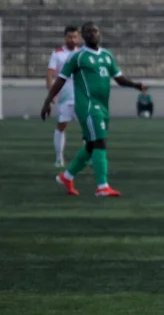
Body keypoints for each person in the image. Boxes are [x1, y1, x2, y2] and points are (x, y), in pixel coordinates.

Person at [40, 22, 148, 197]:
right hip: (88, 106)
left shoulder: (107, 55)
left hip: (103, 106)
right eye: (88, 32)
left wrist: (135, 85)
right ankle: (102, 186)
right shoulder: (78, 56)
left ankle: (67, 176)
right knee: (100, 142)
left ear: (100, 33)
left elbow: (119, 78)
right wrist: (47, 101)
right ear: (83, 36)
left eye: (95, 31)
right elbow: (60, 79)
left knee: (91, 145)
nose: (92, 34)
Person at [46, 25, 81, 167]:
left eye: (74, 37)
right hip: (64, 96)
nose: (72, 40)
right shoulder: (57, 53)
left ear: (78, 38)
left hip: (81, 96)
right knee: (62, 125)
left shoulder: (82, 53)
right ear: (65, 38)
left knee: (88, 127)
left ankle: (90, 156)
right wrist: (52, 93)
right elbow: (50, 74)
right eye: (69, 37)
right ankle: (59, 158)